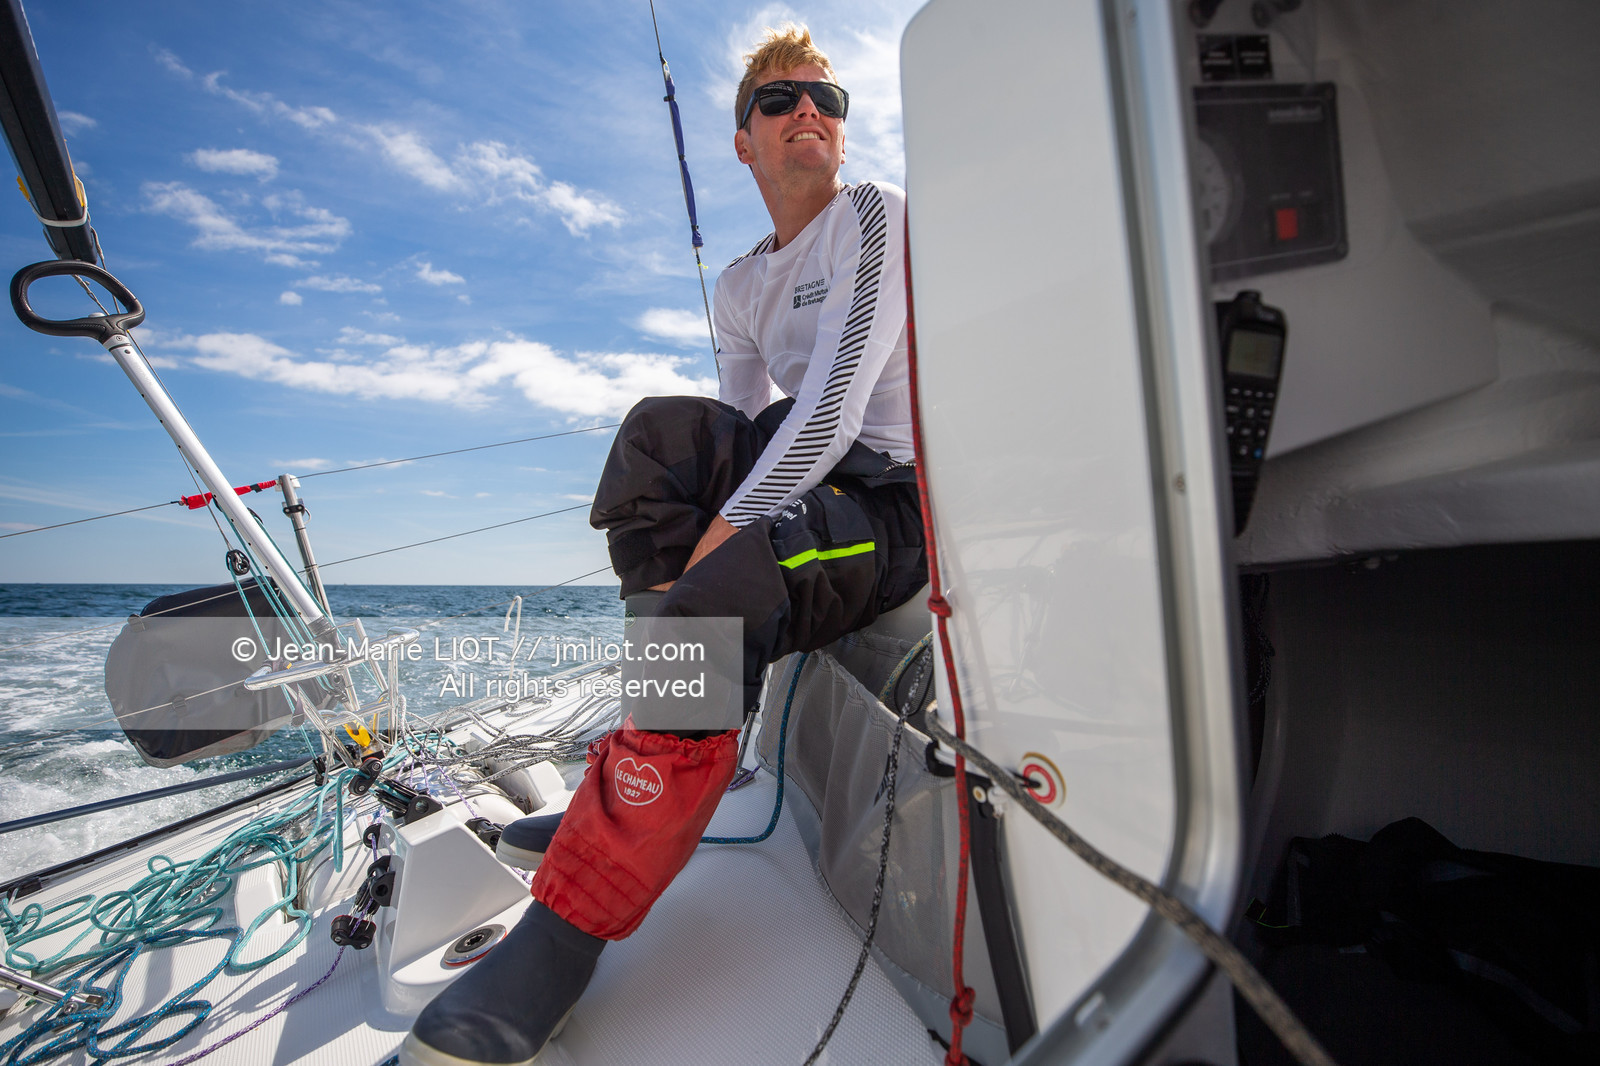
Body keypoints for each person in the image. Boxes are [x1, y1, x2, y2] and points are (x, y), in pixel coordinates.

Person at [400, 25, 925, 1066]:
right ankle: (653, 788)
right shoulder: (742, 284)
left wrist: (720, 551)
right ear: (743, 140)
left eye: (826, 96)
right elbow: (735, 432)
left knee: (713, 593)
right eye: (781, 101)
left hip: (896, 499)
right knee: (655, 439)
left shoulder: (875, 217)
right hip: (813, 474)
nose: (809, 110)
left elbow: (828, 409)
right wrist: (711, 525)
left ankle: (571, 920)